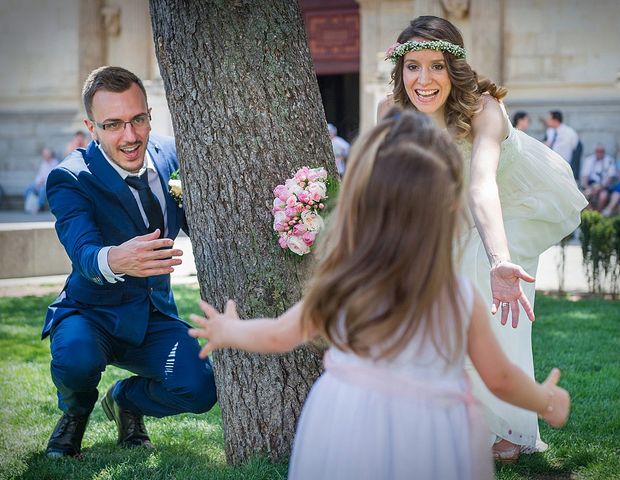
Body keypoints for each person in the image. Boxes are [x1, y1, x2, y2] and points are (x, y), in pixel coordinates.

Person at [189, 111, 570, 480]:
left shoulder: (344, 284)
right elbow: (500, 378)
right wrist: (545, 401)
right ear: (451, 209)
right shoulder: (457, 297)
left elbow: (278, 334)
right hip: (431, 435)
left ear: (359, 203)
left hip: (348, 422)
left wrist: (228, 331)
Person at [378, 16, 586, 462]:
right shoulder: (389, 111)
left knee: (486, 284)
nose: (424, 79)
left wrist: (499, 260)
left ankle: (514, 430)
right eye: (412, 66)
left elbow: (483, 185)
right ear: (400, 69)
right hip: (455, 207)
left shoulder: (483, 109)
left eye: (436, 66)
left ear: (454, 68)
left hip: (518, 200)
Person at [42, 66, 216, 458]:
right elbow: (83, 252)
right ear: (93, 127)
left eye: (138, 119)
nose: (131, 136)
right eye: (114, 124)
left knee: (201, 388)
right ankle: (75, 413)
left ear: (149, 114)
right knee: (76, 360)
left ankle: (126, 401)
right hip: (90, 313)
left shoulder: (173, 155)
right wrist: (118, 259)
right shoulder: (71, 178)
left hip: (153, 315)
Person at [580, 143, 617, 211]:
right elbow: (584, 177)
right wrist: (588, 187)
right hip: (591, 186)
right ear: (595, 151)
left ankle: (598, 214)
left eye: (602, 151)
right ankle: (591, 213)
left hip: (604, 187)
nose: (600, 153)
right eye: (598, 151)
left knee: (603, 196)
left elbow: (610, 178)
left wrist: (600, 188)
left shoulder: (609, 160)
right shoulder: (589, 160)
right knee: (583, 196)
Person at [24, 147, 59, 213]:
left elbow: (51, 176)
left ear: (50, 155)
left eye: (46, 154)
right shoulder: (44, 163)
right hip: (40, 183)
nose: (44, 156)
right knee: (28, 188)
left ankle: (40, 207)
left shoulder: (55, 163)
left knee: (42, 190)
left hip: (48, 184)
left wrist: (42, 182)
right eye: (44, 154)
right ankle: (28, 207)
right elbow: (40, 175)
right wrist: (38, 182)